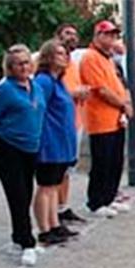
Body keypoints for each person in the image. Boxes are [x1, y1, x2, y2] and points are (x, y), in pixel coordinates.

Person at [0, 45, 45, 267]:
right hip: (8, 147)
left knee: (26, 191)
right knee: (17, 194)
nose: (24, 67)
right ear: (10, 67)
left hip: (31, 146)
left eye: (27, 62)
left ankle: (19, 236)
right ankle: (27, 242)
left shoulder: (35, 87)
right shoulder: (4, 90)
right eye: (18, 63)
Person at [80, 20, 133, 218]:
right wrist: (123, 104)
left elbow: (119, 83)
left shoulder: (109, 59)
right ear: (97, 36)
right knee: (102, 162)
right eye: (108, 35)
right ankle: (96, 200)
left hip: (115, 120)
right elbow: (100, 89)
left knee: (115, 161)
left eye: (114, 35)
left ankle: (109, 197)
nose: (112, 39)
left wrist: (125, 104)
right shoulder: (90, 58)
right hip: (100, 120)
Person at [32, 39, 80, 247]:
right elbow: (36, 110)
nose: (65, 57)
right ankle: (44, 228)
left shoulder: (58, 81)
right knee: (46, 186)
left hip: (61, 142)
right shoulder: (44, 81)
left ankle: (54, 223)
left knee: (54, 186)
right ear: (49, 57)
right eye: (59, 53)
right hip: (49, 142)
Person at [54, 23, 89, 225]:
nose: (72, 37)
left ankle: (63, 206)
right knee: (58, 169)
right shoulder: (51, 66)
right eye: (67, 33)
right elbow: (51, 91)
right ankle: (53, 212)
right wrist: (73, 93)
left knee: (68, 168)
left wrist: (82, 91)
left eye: (75, 34)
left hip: (76, 120)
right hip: (60, 124)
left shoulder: (73, 64)